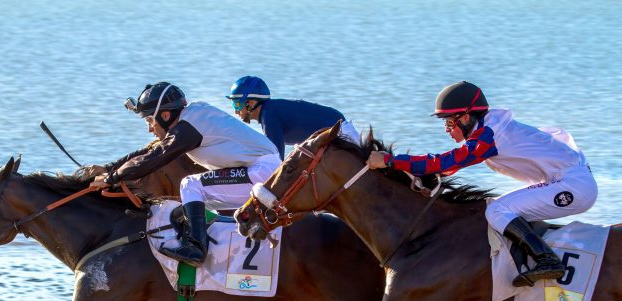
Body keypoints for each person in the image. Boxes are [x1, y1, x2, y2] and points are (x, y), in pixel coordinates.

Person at [367, 81, 598, 287]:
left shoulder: (489, 136)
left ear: (466, 117)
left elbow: (446, 162)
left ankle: (547, 260)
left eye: (449, 122)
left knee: (498, 210)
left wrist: (390, 161)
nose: (447, 128)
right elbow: (447, 167)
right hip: (565, 180)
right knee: (500, 208)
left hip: (572, 186)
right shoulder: (488, 129)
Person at [80, 82, 280, 267]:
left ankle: (196, 250)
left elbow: (155, 158)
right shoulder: (189, 120)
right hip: (258, 171)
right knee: (189, 206)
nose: (149, 128)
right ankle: (215, 250)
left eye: (150, 120)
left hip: (260, 172)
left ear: (165, 115)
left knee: (190, 185)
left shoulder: (188, 127)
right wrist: (109, 168)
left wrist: (111, 179)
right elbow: (151, 151)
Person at [226, 75, 359, 159]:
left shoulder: (269, 114)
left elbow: (275, 160)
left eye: (237, 104)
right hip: (338, 133)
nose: (236, 111)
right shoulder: (271, 111)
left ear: (252, 103)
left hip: (340, 136)